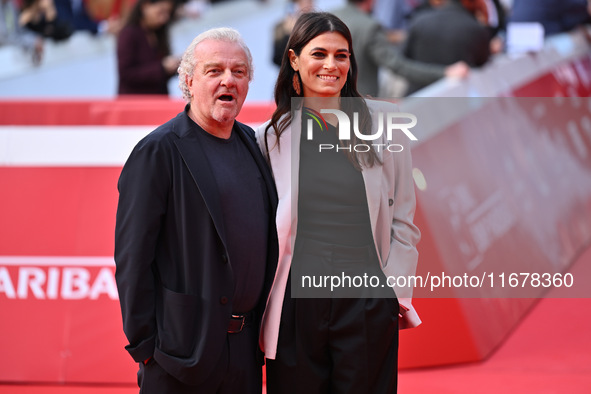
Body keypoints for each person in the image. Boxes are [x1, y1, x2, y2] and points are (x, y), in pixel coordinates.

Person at [256, 12, 421, 394]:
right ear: (294, 60)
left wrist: (391, 291)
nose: (331, 65)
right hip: (295, 304)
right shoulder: (269, 137)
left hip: (365, 297)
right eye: (320, 54)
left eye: (341, 55)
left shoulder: (385, 122)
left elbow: (404, 220)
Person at [114, 27, 279, 393]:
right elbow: (132, 257)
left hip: (246, 351)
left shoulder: (254, 145)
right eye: (214, 70)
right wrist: (146, 348)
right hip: (180, 356)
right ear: (188, 81)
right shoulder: (158, 151)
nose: (228, 80)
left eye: (238, 72)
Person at [331, 0, 469, 97]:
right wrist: (444, 73)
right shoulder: (369, 26)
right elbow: (400, 67)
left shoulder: (331, 17)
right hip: (359, 107)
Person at [402, 0, 491, 94]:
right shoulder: (476, 29)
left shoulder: (420, 20)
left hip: (416, 97)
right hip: (457, 99)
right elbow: (483, 65)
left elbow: (404, 58)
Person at [116, 0, 179, 95]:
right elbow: (126, 74)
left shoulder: (158, 34)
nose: (164, 18)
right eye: (160, 12)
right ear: (145, 6)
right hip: (135, 102)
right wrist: (162, 67)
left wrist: (175, 67)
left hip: (159, 100)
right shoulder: (128, 34)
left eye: (168, 13)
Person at [271, 0, 314, 67]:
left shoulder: (317, 24)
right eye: (303, 3)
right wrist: (288, 35)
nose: (308, 5)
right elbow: (277, 59)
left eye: (310, 2)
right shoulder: (282, 27)